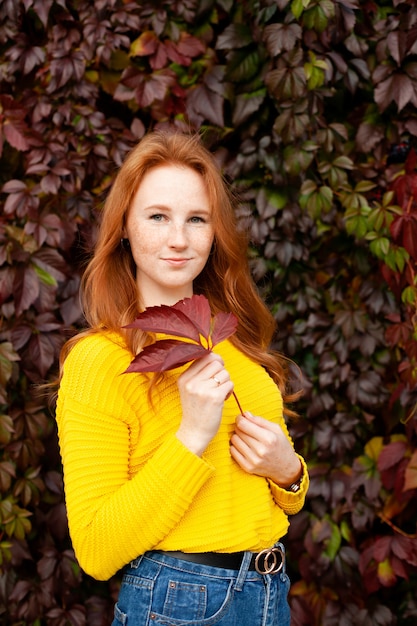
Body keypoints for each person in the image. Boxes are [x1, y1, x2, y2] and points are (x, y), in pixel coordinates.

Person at [55, 130, 309, 626]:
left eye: (197, 219)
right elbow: (96, 548)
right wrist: (190, 436)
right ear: (124, 227)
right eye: (157, 217)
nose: (179, 239)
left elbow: (268, 492)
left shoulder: (233, 343)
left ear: (216, 233)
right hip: (180, 601)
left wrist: (289, 473)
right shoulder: (99, 361)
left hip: (269, 591)